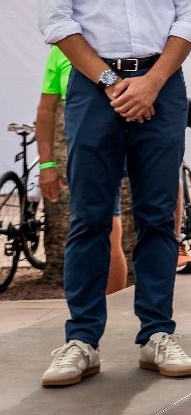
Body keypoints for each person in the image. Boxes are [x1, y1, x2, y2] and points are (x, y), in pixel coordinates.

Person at [34, 0, 191, 386]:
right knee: (88, 217)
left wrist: (151, 82)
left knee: (158, 216)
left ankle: (157, 334)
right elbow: (57, 20)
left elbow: (190, 20)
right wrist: (112, 82)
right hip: (93, 87)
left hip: (162, 85)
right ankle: (81, 341)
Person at [36, 47, 128, 292]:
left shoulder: (117, 40)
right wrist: (46, 164)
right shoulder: (62, 48)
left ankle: (177, 244)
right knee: (101, 227)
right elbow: (45, 109)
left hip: (134, 126)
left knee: (153, 215)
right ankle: (97, 307)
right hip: (91, 145)